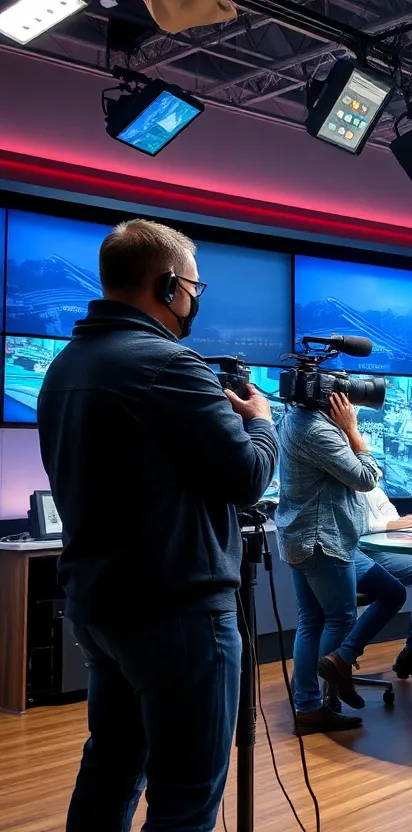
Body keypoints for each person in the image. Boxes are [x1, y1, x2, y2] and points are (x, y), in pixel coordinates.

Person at [37, 219, 278, 832]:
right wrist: (260, 420)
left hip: (100, 607)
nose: (195, 301)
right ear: (168, 284)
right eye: (195, 288)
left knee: (111, 770)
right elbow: (248, 477)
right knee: (185, 801)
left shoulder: (64, 364)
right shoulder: (170, 365)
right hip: (180, 613)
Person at [276, 391, 382, 734]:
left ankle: (307, 704)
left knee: (311, 622)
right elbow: (367, 477)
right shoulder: (319, 431)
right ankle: (321, 699)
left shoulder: (294, 418)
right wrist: (352, 430)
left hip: (300, 538)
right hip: (324, 540)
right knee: (341, 618)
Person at [360, 485, 412, 680]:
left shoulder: (371, 484)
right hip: (361, 552)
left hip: (382, 546)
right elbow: (358, 525)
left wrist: (396, 523)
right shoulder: (345, 480)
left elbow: (391, 515)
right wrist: (389, 524)